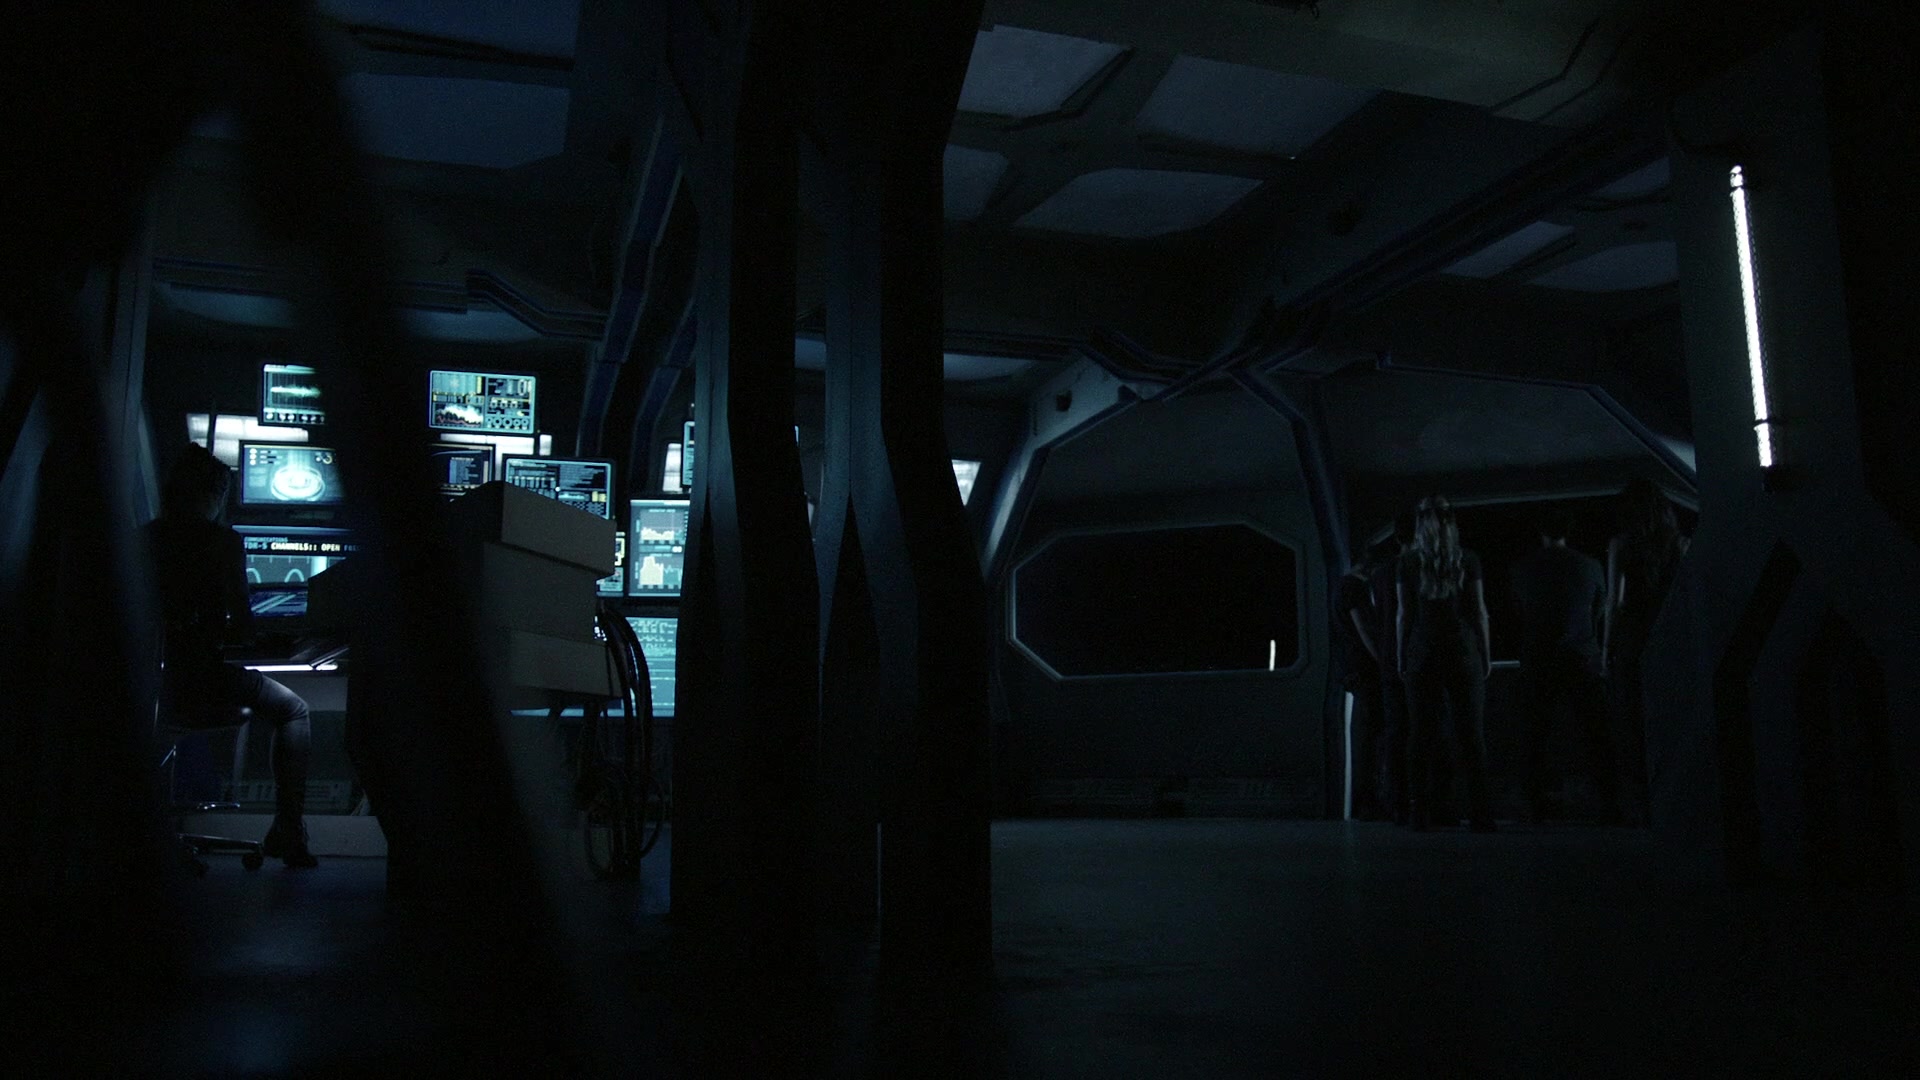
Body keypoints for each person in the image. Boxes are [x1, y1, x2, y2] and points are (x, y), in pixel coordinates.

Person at [145, 443, 317, 868]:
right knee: (293, 709)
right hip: (202, 682)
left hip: (146, 686)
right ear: (214, 494)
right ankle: (289, 830)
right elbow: (242, 626)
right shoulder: (222, 542)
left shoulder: (141, 538)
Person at [1510, 509, 1617, 823]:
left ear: (1540, 531)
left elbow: (1518, 611)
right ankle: (1609, 801)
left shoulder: (1523, 568)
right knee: (1596, 733)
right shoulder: (1591, 566)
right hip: (1582, 656)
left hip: (1540, 658)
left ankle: (1534, 802)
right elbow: (1600, 608)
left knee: (1535, 735)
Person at [1396, 496, 1495, 832]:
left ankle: (1419, 812)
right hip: (1462, 651)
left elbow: (1404, 615)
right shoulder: (1468, 559)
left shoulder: (1408, 563)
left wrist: (1401, 656)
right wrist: (1485, 654)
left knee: (1421, 735)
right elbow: (1479, 612)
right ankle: (1481, 814)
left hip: (1423, 652)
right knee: (1471, 734)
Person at [1604, 477, 1689, 826]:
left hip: (1632, 639)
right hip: (1668, 638)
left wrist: (1607, 651)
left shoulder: (1621, 544)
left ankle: (1644, 807)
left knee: (1631, 725)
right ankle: (1677, 802)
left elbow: (1614, 602)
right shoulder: (1680, 544)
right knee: (1671, 722)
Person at [1366, 512, 1422, 825]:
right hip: (1418, 658)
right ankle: (1431, 800)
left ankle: (1398, 802)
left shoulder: (1380, 574)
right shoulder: (1422, 568)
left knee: (1396, 731)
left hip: (1389, 659)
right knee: (1428, 729)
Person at [1335, 560, 1384, 820]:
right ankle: (1368, 800)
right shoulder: (1353, 587)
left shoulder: (1345, 586)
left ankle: (1366, 799)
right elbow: (1363, 628)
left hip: (1356, 667)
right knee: (1369, 736)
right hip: (1364, 668)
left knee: (1367, 735)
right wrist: (1383, 661)